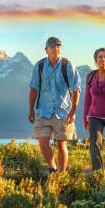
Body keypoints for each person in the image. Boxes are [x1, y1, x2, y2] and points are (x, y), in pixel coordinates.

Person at [29, 37, 81, 173]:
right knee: (42, 141)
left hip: (63, 111)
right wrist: (31, 110)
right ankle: (52, 167)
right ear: (46, 50)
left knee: (61, 144)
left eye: (58, 47)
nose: (55, 49)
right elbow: (34, 88)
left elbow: (76, 89)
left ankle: (61, 175)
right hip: (43, 110)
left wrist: (73, 110)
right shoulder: (39, 66)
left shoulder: (68, 65)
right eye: (52, 47)